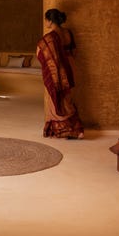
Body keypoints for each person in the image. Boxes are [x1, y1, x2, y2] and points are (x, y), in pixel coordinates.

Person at [36, 8, 84, 139]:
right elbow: (74, 52)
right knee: (68, 98)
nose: (45, 22)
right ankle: (76, 128)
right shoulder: (68, 33)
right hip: (70, 66)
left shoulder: (50, 37)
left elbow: (40, 52)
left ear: (50, 21)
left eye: (46, 19)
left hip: (58, 69)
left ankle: (67, 130)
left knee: (57, 98)